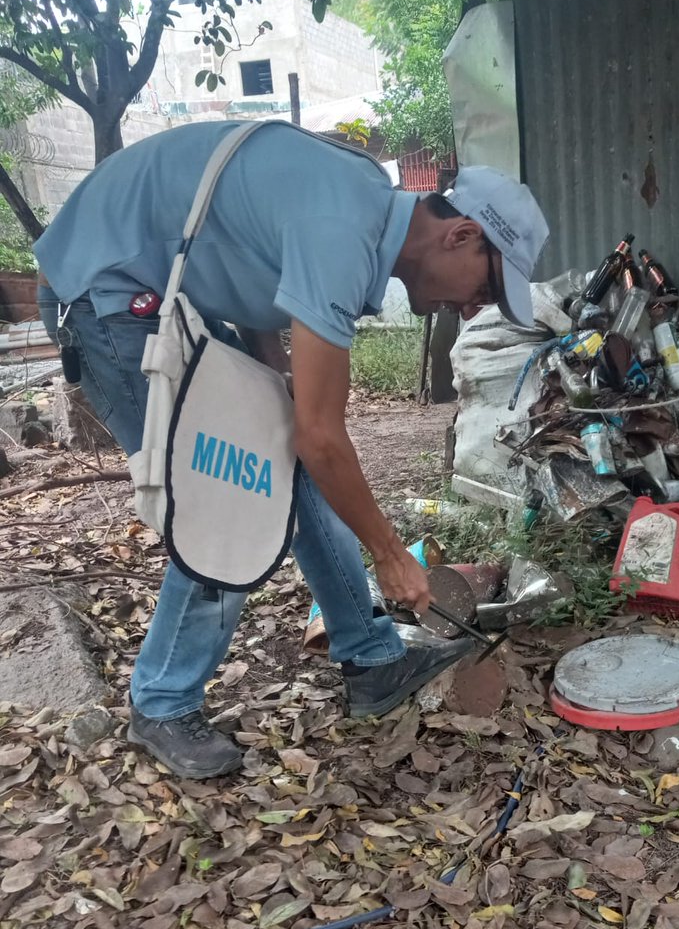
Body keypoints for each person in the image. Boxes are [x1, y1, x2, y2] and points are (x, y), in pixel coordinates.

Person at [35, 120, 550, 780]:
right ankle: (161, 700)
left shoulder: (359, 201)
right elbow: (322, 434)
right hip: (109, 295)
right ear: (460, 235)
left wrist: (268, 371)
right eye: (484, 287)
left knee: (288, 466)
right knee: (226, 495)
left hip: (165, 287)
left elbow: (250, 254)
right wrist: (391, 556)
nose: (474, 309)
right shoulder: (345, 229)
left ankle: (370, 657)